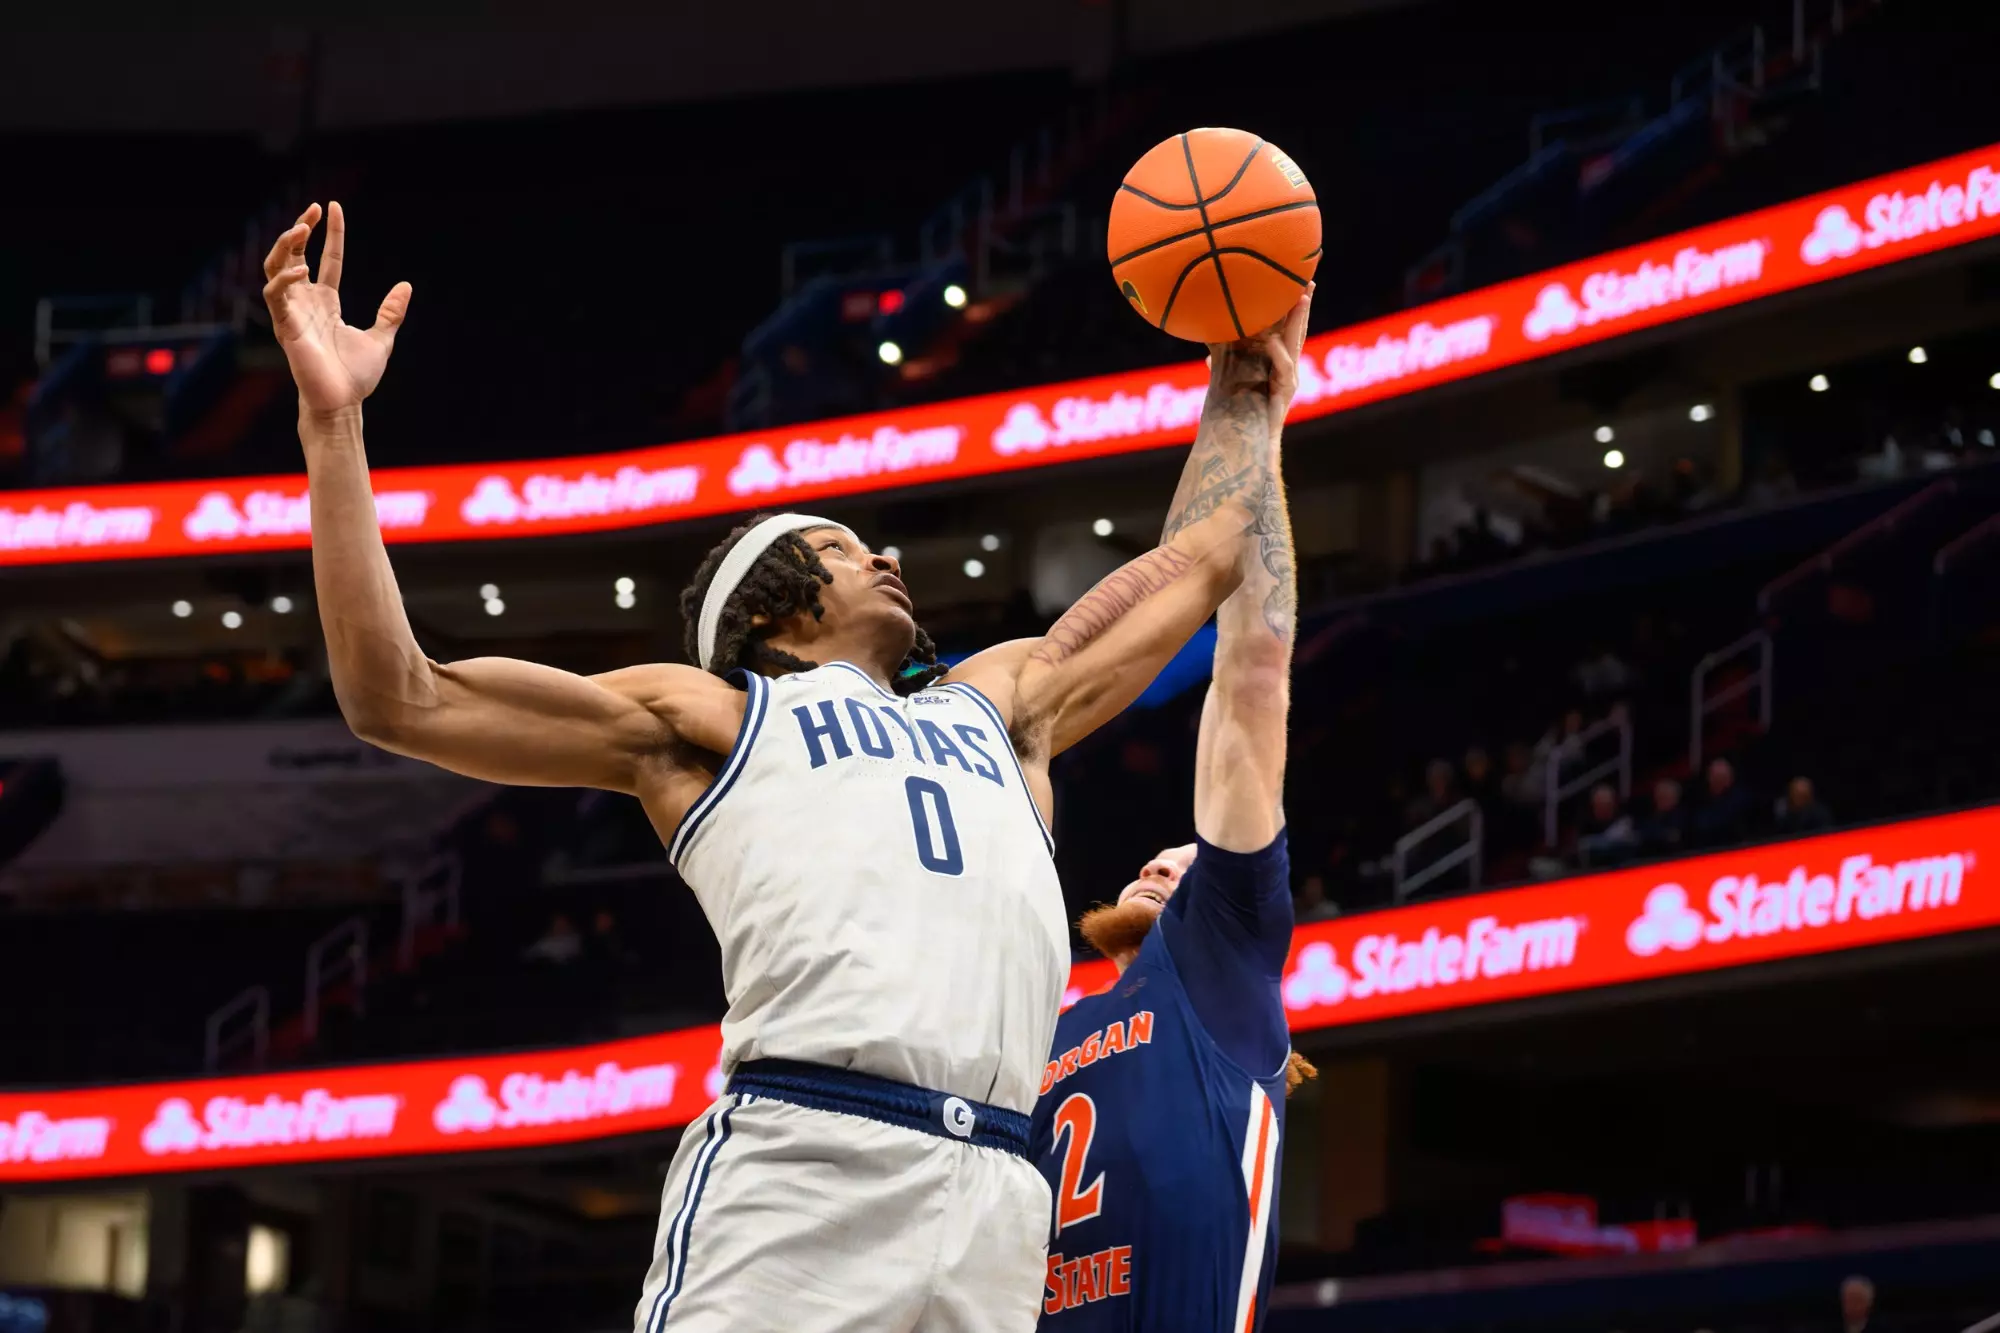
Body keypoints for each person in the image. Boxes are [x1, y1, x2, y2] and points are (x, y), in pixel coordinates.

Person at [261, 201, 1311, 1333]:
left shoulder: (1000, 703)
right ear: (775, 602)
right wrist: (333, 427)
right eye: (848, 549)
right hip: (809, 1161)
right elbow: (399, 696)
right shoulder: (704, 716)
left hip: (1001, 1190)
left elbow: (1202, 565)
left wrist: (1245, 381)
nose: (889, 556)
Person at [1029, 444, 1310, 1331]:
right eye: (1151, 856)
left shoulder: (1215, 966)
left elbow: (1253, 674)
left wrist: (1254, 432)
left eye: (1185, 866)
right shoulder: (1041, 1028)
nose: (1158, 864)